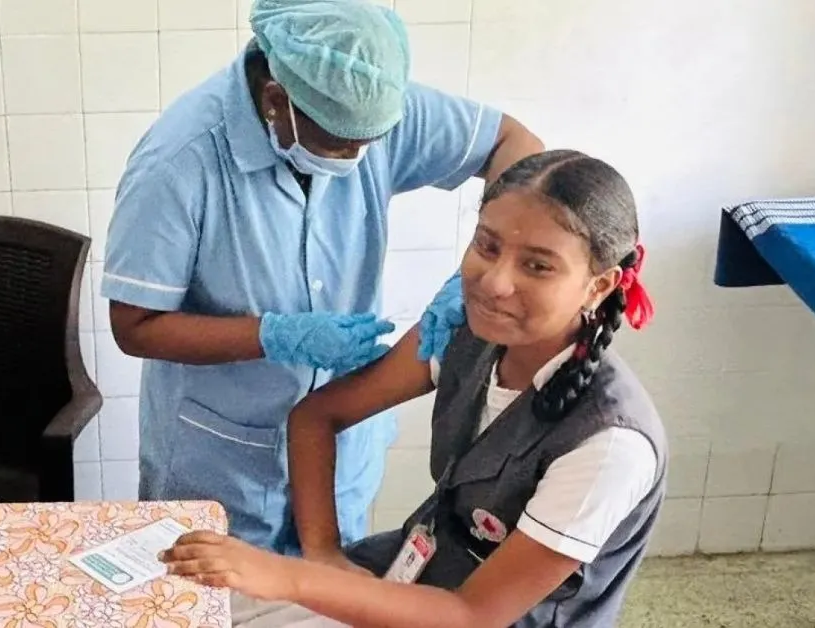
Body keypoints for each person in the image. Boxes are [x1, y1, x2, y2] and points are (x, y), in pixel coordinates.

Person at [101, 0, 543, 556]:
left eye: (371, 142)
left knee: (329, 589)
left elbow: (517, 148)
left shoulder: (368, 107)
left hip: (339, 452)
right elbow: (133, 326)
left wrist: (475, 273)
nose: (360, 158)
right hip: (220, 462)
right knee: (218, 596)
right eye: (341, 143)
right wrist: (272, 335)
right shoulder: (179, 162)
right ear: (274, 101)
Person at [161, 150, 668, 628]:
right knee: (188, 600)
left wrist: (288, 575)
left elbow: (473, 615)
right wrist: (323, 555)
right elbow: (317, 417)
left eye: (537, 265)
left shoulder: (609, 444)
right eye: (487, 246)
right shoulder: (464, 336)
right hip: (410, 575)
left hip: (477, 616)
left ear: (600, 285)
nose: (494, 282)